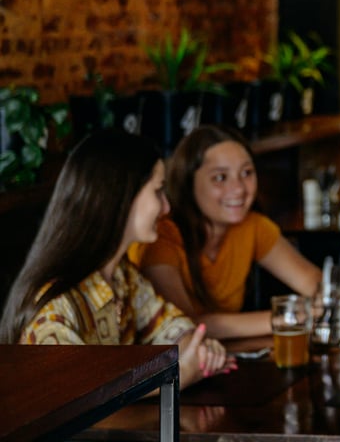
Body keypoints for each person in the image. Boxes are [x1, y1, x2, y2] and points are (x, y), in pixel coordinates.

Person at [0, 130, 232, 389]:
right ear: (122, 196)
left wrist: (198, 349)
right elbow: (80, 396)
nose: (166, 207)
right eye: (158, 192)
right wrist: (176, 378)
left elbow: (172, 327)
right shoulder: (55, 306)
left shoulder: (122, 276)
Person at [139, 125, 321, 339]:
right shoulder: (162, 236)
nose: (239, 189)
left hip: (223, 359)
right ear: (188, 183)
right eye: (220, 177)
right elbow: (185, 325)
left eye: (246, 173)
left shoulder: (252, 226)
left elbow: (318, 288)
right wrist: (286, 318)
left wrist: (315, 305)